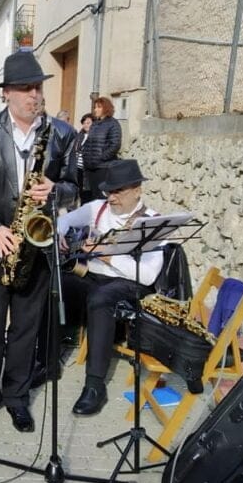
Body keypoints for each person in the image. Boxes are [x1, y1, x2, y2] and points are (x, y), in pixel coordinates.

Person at [0, 51, 78, 433]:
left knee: (26, 329)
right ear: (6, 92)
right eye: (25, 88)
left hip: (37, 249)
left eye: (38, 87)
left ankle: (17, 398)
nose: (34, 95)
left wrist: (56, 191)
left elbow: (77, 188)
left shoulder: (61, 134)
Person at [58, 159, 163, 415]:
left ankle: (95, 385)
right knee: (52, 283)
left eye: (118, 191)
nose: (111, 197)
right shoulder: (97, 207)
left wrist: (108, 257)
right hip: (92, 276)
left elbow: (148, 276)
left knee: (100, 299)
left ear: (137, 190)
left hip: (130, 284)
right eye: (108, 191)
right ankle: (46, 361)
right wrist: (61, 232)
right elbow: (64, 220)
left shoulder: (152, 221)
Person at [82, 96, 121, 203]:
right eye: (95, 107)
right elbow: (88, 142)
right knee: (93, 199)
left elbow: (115, 145)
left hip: (104, 168)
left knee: (103, 197)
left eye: (99, 107)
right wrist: (85, 156)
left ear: (106, 108)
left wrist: (101, 158)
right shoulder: (94, 124)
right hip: (91, 168)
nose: (96, 110)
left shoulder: (113, 124)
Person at [72, 112, 94, 202]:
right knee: (79, 191)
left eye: (88, 123)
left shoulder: (95, 136)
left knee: (88, 192)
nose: (86, 125)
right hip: (78, 168)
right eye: (84, 123)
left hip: (88, 169)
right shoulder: (80, 135)